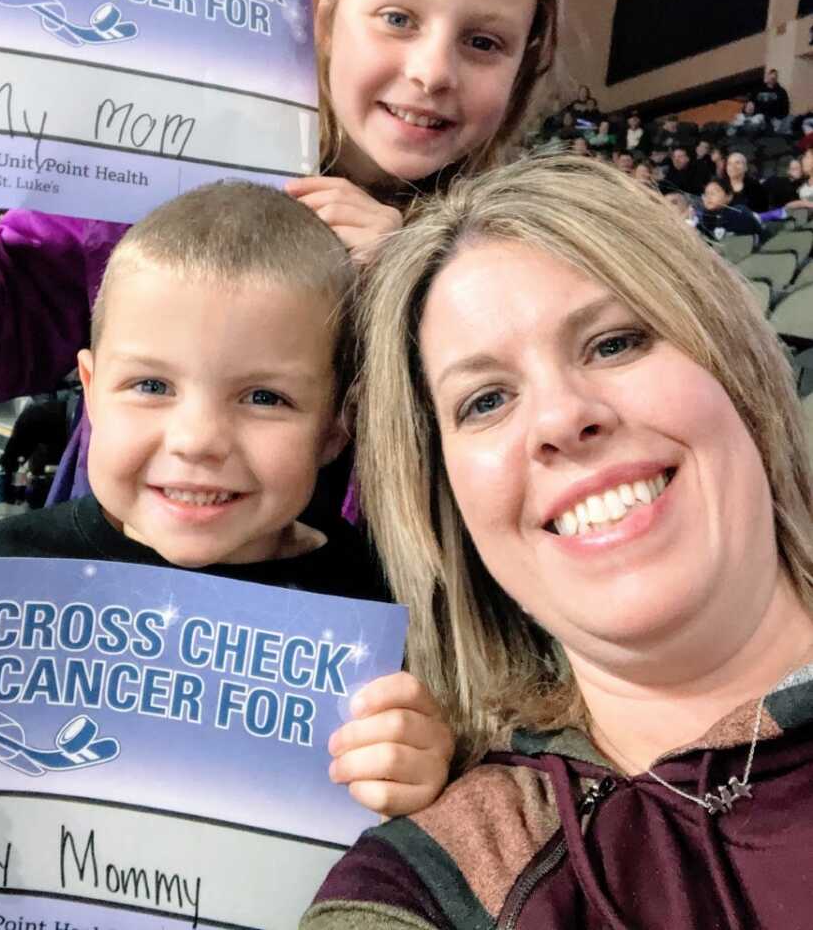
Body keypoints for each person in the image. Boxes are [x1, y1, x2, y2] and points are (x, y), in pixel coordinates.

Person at [0, 0, 561, 504]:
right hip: (120, 589)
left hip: (365, 601)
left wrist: (419, 294)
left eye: (483, 42)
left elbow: (517, 484)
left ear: (525, 61)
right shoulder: (163, 167)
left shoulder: (522, 260)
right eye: (397, 18)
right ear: (325, 13)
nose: (432, 71)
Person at [304, 155, 813, 929]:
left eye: (613, 343)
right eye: (485, 400)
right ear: (447, 506)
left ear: (732, 365)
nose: (560, 418)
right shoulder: (436, 879)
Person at [0, 181, 454, 818]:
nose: (197, 440)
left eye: (263, 398)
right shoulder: (4, 572)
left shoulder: (383, 605)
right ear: (90, 391)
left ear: (337, 424)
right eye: (150, 384)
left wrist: (423, 773)